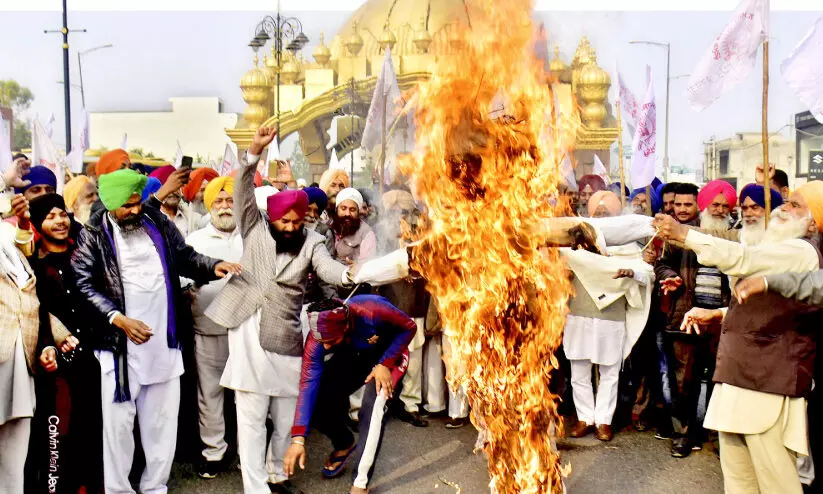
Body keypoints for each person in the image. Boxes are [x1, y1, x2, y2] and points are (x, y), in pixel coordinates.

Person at [205, 127, 360, 494]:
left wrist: (349, 273)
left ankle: (278, 475)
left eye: (296, 221)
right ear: (270, 220)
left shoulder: (312, 240)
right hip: (246, 331)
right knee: (252, 418)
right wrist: (254, 153)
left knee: (287, 414)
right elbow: (242, 189)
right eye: (284, 223)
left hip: (288, 334)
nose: (291, 228)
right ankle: (256, 487)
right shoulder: (255, 230)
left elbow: (326, 268)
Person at [71, 168, 240, 494]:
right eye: (127, 205)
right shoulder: (92, 234)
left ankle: (154, 487)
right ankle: (118, 490)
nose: (135, 210)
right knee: (119, 428)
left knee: (161, 423)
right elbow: (82, 284)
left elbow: (184, 256)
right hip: (119, 348)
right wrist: (117, 318)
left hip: (163, 343)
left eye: (137, 202)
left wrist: (212, 266)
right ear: (110, 204)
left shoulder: (156, 222)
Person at [653, 180, 823, 494]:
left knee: (776, 484)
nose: (784, 208)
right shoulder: (777, 249)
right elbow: (766, 306)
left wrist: (685, 234)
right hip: (739, 377)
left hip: (767, 384)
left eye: (795, 205)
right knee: (739, 483)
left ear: (813, 222)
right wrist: (718, 314)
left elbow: (743, 258)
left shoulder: (803, 252)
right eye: (788, 202)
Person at [283, 296, 415, 494]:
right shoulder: (316, 340)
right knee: (318, 397)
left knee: (374, 408)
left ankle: (360, 484)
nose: (325, 347)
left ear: (344, 327)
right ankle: (344, 443)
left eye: (330, 342)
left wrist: (386, 363)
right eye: (322, 342)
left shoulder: (372, 308)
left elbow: (409, 327)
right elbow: (307, 385)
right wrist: (298, 438)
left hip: (390, 354)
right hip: (356, 353)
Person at [25, 193, 104, 493]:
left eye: (63, 214)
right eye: (50, 216)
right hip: (55, 362)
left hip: (93, 357)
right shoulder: (31, 265)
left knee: (91, 430)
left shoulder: (86, 254)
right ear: (37, 223)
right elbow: (33, 310)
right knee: (58, 432)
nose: (59, 221)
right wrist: (50, 342)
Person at [564, 191, 654, 441]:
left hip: (611, 318)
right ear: (590, 216)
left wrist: (631, 273)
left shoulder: (630, 249)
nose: (602, 218)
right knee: (579, 370)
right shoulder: (571, 247)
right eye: (598, 214)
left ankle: (604, 421)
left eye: (606, 214)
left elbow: (648, 275)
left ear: (616, 216)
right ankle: (585, 418)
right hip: (579, 314)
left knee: (610, 372)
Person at [655, 181, 730, 457]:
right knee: (683, 382)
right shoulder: (678, 235)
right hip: (686, 318)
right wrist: (669, 277)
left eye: (725, 205)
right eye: (679, 205)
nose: (720, 210)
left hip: (723, 321)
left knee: (719, 382)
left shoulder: (735, 234)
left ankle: (716, 437)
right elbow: (661, 264)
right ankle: (683, 435)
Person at [0, 162, 60, 494]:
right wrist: (4, 182)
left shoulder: (7, 233)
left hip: (21, 353)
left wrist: (23, 223)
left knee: (16, 445)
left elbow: (31, 286)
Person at [183, 176, 243, 479]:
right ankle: (213, 452)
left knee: (247, 393)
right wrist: (188, 288)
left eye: (229, 200)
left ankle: (249, 452)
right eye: (218, 201)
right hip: (208, 328)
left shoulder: (251, 236)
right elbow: (181, 277)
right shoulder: (194, 240)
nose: (224, 206)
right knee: (210, 393)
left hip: (247, 330)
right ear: (209, 205)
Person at [327, 188, 377, 266]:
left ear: (358, 212)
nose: (347, 213)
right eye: (343, 208)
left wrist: (357, 266)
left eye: (352, 209)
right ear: (337, 209)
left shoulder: (366, 233)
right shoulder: (328, 227)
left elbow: (368, 266)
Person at [150, 165, 203, 237]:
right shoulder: (148, 219)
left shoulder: (193, 218)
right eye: (168, 188)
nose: (174, 191)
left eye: (177, 187)